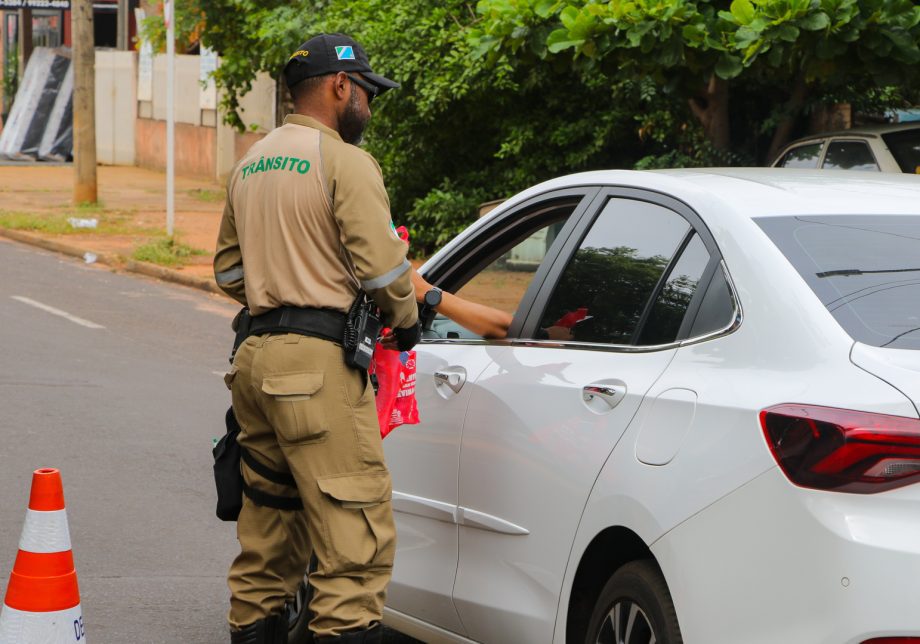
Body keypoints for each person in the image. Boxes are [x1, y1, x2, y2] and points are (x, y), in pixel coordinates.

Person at [213, 33, 420, 644]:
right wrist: (405, 319)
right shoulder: (345, 162)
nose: (369, 107)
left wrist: (278, 282)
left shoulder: (251, 161)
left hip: (252, 364)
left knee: (269, 537)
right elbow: (384, 271)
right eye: (366, 94)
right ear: (339, 87)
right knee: (354, 547)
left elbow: (228, 271)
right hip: (316, 370)